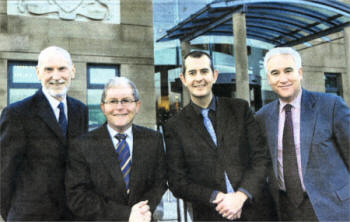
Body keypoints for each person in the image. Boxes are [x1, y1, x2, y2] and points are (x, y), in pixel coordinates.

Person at [163, 51, 269, 221]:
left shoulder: (240, 109)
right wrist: (219, 198)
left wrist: (240, 197)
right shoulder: (175, 126)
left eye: (204, 71)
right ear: (183, 79)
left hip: (256, 211)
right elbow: (177, 182)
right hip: (211, 214)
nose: (199, 78)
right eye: (192, 73)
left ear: (215, 75)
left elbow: (261, 158)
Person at [256, 47, 350, 221]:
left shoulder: (331, 105)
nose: (282, 79)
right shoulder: (262, 117)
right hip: (286, 210)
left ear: (300, 73)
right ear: (269, 79)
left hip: (333, 209)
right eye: (275, 73)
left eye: (288, 71)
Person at [0, 46, 88, 221]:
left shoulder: (81, 110)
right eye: (49, 69)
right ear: (38, 73)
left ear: (73, 71)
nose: (56, 76)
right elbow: (4, 172)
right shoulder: (17, 113)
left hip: (73, 215)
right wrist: (12, 214)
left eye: (62, 68)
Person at [65, 77, 167, 221]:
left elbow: (159, 184)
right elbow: (78, 197)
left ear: (137, 106)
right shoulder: (82, 145)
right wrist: (127, 215)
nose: (120, 107)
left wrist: (142, 211)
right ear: (103, 107)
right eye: (112, 101)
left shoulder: (153, 140)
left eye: (126, 100)